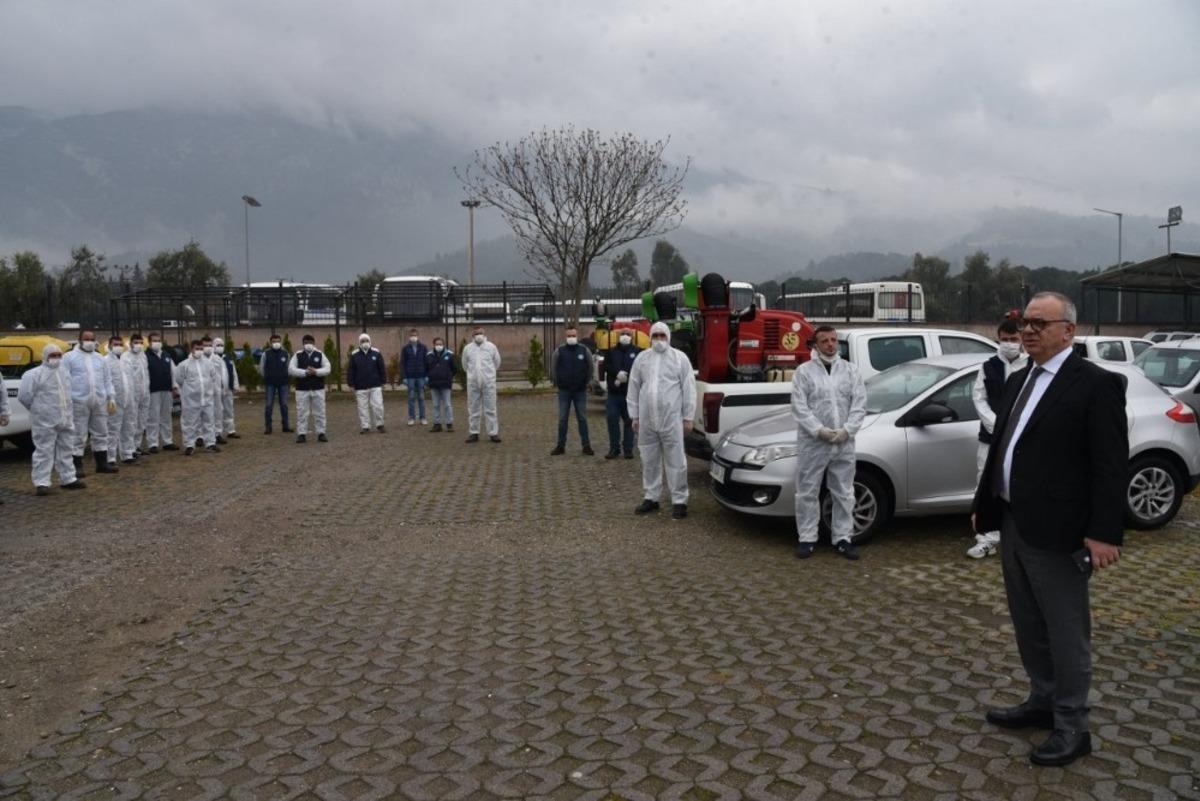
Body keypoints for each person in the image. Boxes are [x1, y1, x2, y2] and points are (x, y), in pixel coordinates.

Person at [973, 292, 1127, 768]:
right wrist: (985, 504)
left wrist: (1104, 532)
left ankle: (1072, 726)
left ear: (1069, 330)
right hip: (1015, 522)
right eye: (1025, 323)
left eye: (1041, 323)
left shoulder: (1097, 385)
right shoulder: (1020, 378)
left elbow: (1109, 465)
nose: (1029, 331)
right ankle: (1042, 699)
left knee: (1065, 631)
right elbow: (1003, 445)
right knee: (1029, 624)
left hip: (1060, 531)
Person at [790, 325, 867, 560]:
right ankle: (807, 538)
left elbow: (859, 404)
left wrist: (847, 430)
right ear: (816, 344)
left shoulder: (851, 371)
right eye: (825, 341)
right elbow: (799, 407)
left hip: (843, 442)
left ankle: (843, 538)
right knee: (807, 491)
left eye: (834, 340)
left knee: (844, 492)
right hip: (813, 443)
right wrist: (818, 430)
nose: (830, 344)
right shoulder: (803, 372)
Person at [967, 317, 1027, 558]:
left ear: (1021, 339)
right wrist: (996, 424)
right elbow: (978, 398)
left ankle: (1021, 537)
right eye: (1005, 339)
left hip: (1021, 438)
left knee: (1020, 484)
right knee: (985, 484)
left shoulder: (1030, 365)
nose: (1009, 343)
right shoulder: (988, 366)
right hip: (990, 437)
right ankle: (987, 538)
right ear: (998, 338)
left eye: (1014, 339)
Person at [627, 321, 696, 519]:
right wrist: (635, 415)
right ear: (650, 337)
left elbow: (688, 388)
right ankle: (651, 497)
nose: (658, 340)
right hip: (647, 419)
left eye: (662, 336)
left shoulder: (679, 358)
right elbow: (633, 387)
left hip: (671, 418)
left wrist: (688, 417)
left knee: (676, 460)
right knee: (649, 459)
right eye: (655, 336)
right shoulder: (642, 359)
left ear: (668, 337)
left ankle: (679, 500)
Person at [18, 344, 85, 495]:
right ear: (45, 356)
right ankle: (42, 482)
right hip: (44, 421)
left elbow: (67, 394)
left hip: (65, 418)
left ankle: (68, 478)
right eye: (52, 355)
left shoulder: (64, 372)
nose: (56, 359)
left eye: (58, 355)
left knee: (66, 449)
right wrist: (39, 411)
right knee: (44, 450)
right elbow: (24, 396)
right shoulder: (34, 374)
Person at [62, 330, 117, 476]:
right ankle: (77, 466)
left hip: (99, 401)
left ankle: (102, 463)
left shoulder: (100, 358)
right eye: (86, 339)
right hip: (78, 401)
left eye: (92, 339)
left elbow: (107, 379)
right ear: (79, 340)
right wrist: (67, 400)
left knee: (101, 432)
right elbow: (64, 381)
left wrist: (111, 397)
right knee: (78, 434)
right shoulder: (69, 357)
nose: (89, 342)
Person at [549, 325, 593, 455]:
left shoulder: (584, 350)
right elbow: (554, 368)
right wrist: (558, 383)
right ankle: (560, 446)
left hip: (580, 391)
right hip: (564, 391)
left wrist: (586, 382)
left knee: (582, 418)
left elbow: (590, 368)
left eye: (573, 335)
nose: (571, 338)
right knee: (563, 419)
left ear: (577, 336)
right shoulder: (559, 351)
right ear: (565, 336)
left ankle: (586, 446)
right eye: (569, 336)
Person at [175, 339, 218, 455]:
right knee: (189, 423)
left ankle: (210, 443)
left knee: (209, 421)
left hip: (207, 399)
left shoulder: (208, 363)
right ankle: (189, 445)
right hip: (191, 401)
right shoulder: (184, 365)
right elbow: (179, 380)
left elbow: (213, 377)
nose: (199, 351)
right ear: (191, 349)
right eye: (197, 349)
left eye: (201, 349)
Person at [603, 327, 640, 459]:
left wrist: (628, 376)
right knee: (612, 420)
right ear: (618, 336)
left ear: (632, 337)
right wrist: (616, 373)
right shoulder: (611, 352)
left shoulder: (637, 352)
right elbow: (606, 366)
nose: (625, 336)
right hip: (614, 393)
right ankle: (614, 448)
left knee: (629, 422)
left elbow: (640, 369)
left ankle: (628, 449)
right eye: (623, 334)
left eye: (628, 334)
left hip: (630, 394)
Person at [462, 326, 502, 443]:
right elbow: (465, 365)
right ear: (473, 335)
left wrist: (489, 375)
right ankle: (474, 433)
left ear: (484, 334)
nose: (478, 335)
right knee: (473, 409)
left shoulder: (491, 347)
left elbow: (497, 362)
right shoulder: (468, 349)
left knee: (491, 409)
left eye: (480, 333)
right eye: (476, 333)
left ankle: (493, 433)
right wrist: (472, 376)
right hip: (473, 383)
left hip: (488, 383)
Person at [289, 334, 331, 443]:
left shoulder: (320, 354)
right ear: (303, 343)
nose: (308, 344)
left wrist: (316, 371)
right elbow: (291, 369)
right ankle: (301, 434)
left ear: (314, 343)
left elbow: (327, 368)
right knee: (302, 412)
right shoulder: (297, 355)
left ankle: (321, 433)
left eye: (310, 342)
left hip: (318, 388)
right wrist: (305, 372)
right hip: (302, 389)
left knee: (320, 411)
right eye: (306, 342)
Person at [103, 336, 137, 466]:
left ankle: (127, 453)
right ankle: (110, 457)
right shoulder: (105, 361)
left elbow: (130, 380)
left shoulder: (125, 360)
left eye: (120, 344)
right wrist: (109, 398)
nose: (118, 346)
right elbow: (105, 381)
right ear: (110, 345)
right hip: (114, 400)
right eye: (115, 344)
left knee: (128, 426)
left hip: (128, 399)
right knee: (112, 428)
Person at [145, 332, 178, 452]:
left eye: (158, 340)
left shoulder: (166, 355)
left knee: (166, 416)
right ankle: (152, 443)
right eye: (154, 340)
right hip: (153, 390)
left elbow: (173, 371)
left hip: (166, 389)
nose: (157, 343)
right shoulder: (145, 356)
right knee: (153, 417)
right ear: (149, 342)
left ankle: (167, 441)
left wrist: (174, 386)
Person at [347, 332, 386, 433]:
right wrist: (350, 384)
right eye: (362, 341)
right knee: (362, 408)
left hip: (375, 385)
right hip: (360, 386)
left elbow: (381, 368)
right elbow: (351, 370)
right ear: (359, 342)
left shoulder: (376, 352)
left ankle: (380, 424)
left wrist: (383, 381)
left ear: (370, 341)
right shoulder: (354, 354)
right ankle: (365, 426)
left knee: (378, 406)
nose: (365, 343)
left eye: (366, 340)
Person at [122, 333, 151, 456]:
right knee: (130, 422)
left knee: (142, 421)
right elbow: (126, 377)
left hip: (144, 393)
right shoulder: (125, 357)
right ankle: (128, 450)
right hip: (132, 394)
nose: (139, 345)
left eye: (141, 342)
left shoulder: (143, 356)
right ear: (131, 343)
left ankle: (136, 445)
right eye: (136, 342)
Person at [259, 333, 291, 434]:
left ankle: (285, 426)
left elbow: (289, 367)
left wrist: (286, 376)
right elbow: (261, 368)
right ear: (270, 342)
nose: (276, 343)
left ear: (280, 342)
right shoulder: (266, 354)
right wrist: (267, 377)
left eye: (278, 341)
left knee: (284, 405)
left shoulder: (286, 354)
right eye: (274, 341)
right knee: (268, 405)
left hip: (283, 383)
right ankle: (268, 427)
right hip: (270, 383)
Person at [200, 336, 228, 445]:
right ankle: (200, 436)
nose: (207, 348)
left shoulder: (217, 359)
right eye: (205, 345)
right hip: (202, 391)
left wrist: (224, 388)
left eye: (209, 345)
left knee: (218, 412)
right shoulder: (197, 358)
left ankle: (217, 434)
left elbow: (223, 375)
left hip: (216, 390)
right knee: (202, 414)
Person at [425, 336, 456, 432]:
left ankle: (449, 424)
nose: (439, 345)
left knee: (447, 404)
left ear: (443, 345)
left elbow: (454, 368)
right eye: (437, 344)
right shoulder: (429, 355)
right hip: (433, 384)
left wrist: (449, 376)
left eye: (441, 344)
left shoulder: (450, 355)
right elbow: (426, 368)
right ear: (433, 344)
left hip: (445, 384)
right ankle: (437, 424)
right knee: (435, 405)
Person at [213, 338, 241, 440]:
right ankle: (217, 433)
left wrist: (235, 385)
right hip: (216, 390)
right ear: (213, 346)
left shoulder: (228, 358)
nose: (220, 347)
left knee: (229, 410)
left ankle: (231, 431)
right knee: (218, 411)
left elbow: (233, 372)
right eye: (218, 345)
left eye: (221, 345)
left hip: (228, 389)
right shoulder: (211, 359)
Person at [401, 328, 429, 426]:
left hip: (421, 376)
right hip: (410, 377)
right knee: (411, 398)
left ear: (418, 336)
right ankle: (411, 418)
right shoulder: (405, 348)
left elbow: (427, 362)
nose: (413, 337)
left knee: (421, 397)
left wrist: (426, 375)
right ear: (409, 337)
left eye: (415, 335)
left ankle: (423, 417)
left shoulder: (423, 347)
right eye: (412, 335)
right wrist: (404, 377)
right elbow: (403, 363)